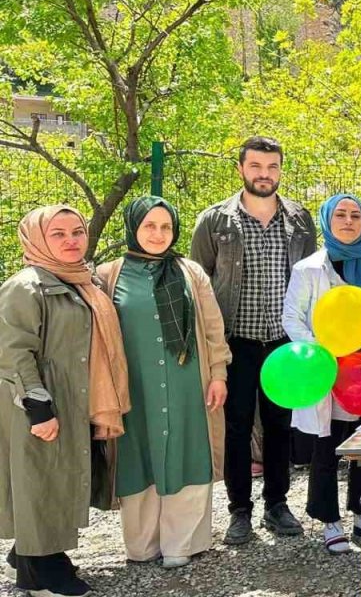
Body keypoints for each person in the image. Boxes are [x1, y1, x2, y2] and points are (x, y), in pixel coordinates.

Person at [190, 136, 316, 544]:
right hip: (236, 341)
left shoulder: (300, 220)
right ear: (241, 169)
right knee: (237, 426)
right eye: (256, 166)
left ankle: (277, 504)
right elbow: (199, 284)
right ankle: (239, 511)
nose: (265, 174)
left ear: (281, 170)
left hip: (284, 342)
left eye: (272, 166)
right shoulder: (215, 221)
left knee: (280, 425)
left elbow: (308, 281)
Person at [0, 206, 129, 597]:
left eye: (77, 231)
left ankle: (30, 554)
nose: (71, 241)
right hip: (38, 402)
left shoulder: (81, 280)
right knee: (41, 481)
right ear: (38, 239)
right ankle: (39, 575)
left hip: (74, 397)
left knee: (60, 479)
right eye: (58, 234)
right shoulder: (26, 287)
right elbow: (13, 352)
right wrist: (39, 408)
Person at [96, 198, 230, 569]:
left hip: (189, 383)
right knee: (138, 457)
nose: (158, 234)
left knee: (188, 452)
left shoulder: (190, 272)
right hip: (134, 388)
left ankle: (182, 543)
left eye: (166, 227)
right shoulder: (108, 275)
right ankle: (142, 545)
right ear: (133, 228)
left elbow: (213, 327)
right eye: (149, 226)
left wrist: (218, 374)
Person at [281, 193, 361, 553]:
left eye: (355, 216)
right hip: (327, 370)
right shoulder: (309, 268)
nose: (348, 221)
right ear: (327, 221)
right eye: (340, 215)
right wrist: (319, 349)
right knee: (325, 447)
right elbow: (291, 318)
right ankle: (329, 519)